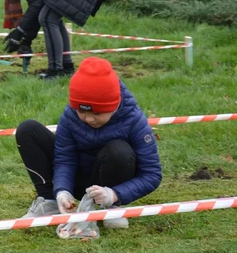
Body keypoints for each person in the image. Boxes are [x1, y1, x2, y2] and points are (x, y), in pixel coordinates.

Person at [15, 57, 161, 232]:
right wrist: (62, 191)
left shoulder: (134, 120)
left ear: (113, 106)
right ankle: (50, 201)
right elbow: (64, 159)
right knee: (28, 129)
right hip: (77, 179)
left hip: (109, 185)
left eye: (97, 113)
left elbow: (152, 174)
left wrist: (114, 194)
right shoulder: (70, 116)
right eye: (82, 112)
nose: (89, 119)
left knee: (119, 151)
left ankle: (111, 207)